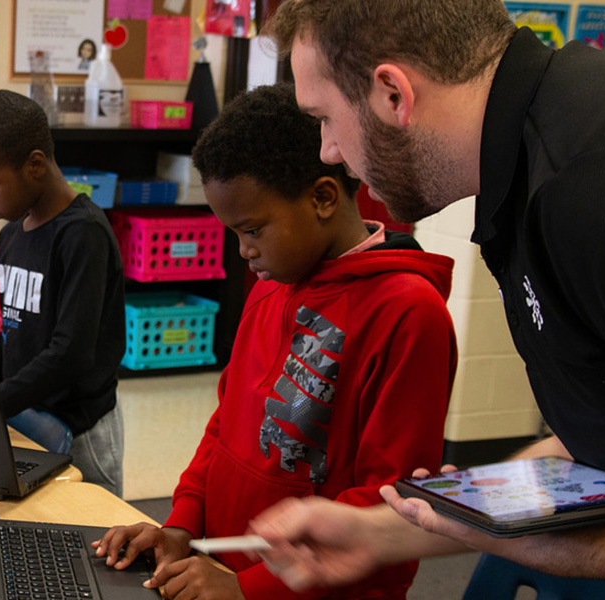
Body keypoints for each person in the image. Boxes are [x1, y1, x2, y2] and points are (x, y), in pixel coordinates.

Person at [247, 0, 605, 589]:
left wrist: (534, 548)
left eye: (324, 118)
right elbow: (602, 443)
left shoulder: (594, 189)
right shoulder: (529, 160)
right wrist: (379, 532)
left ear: (393, 94)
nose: (327, 150)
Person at [92, 83, 457, 599]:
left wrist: (253, 589)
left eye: (253, 230)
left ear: (323, 198)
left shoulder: (408, 312)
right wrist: (181, 526)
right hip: (224, 575)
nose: (244, 252)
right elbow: (225, 427)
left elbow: (391, 504)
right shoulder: (272, 288)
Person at [0, 90, 126, 496]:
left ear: (34, 165)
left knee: (98, 536)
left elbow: (71, 352)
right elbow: (13, 336)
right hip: (28, 417)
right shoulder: (13, 234)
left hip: (82, 430)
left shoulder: (83, 234)